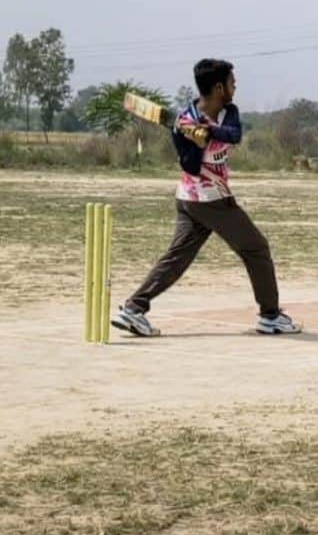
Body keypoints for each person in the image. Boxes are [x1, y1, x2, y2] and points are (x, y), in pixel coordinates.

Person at [112, 59, 301, 337]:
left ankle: (133, 309)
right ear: (217, 87)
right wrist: (191, 141)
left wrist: (207, 131)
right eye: (231, 83)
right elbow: (189, 165)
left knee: (178, 257)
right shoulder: (183, 122)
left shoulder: (229, 112)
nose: (235, 86)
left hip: (195, 201)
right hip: (206, 198)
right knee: (256, 248)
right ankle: (270, 316)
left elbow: (234, 135)